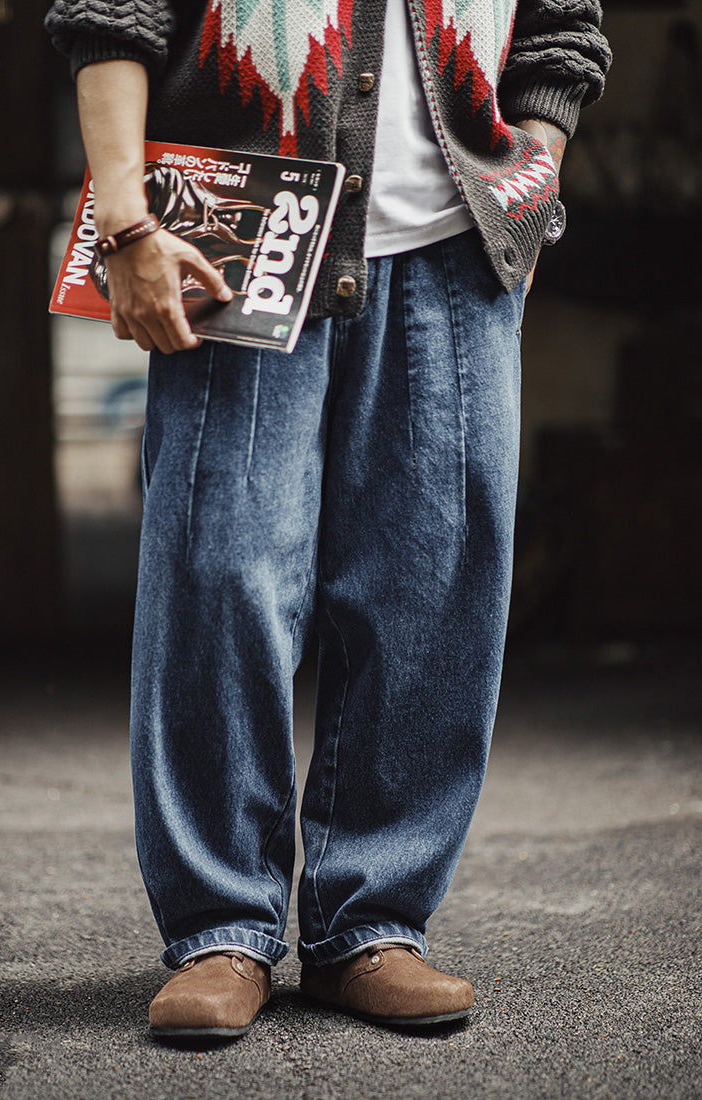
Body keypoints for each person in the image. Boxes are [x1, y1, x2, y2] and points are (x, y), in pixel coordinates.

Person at [45, 0, 610, 1039]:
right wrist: (124, 220)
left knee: (433, 581)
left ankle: (373, 919)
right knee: (219, 571)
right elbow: (109, 17)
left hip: (455, 254)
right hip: (240, 240)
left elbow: (560, 29)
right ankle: (223, 927)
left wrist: (529, 175)